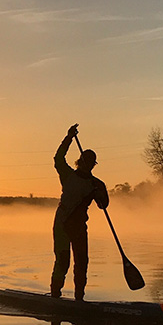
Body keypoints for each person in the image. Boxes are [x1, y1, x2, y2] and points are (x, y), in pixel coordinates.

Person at [50, 124, 108, 300]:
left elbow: (104, 205)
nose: (87, 166)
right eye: (85, 162)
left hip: (79, 227)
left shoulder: (97, 184)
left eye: (91, 164)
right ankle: (55, 297)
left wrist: (99, 195)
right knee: (63, 262)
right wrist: (68, 138)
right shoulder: (68, 175)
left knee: (82, 263)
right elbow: (58, 158)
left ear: (93, 165)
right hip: (62, 224)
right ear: (80, 162)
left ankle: (79, 299)